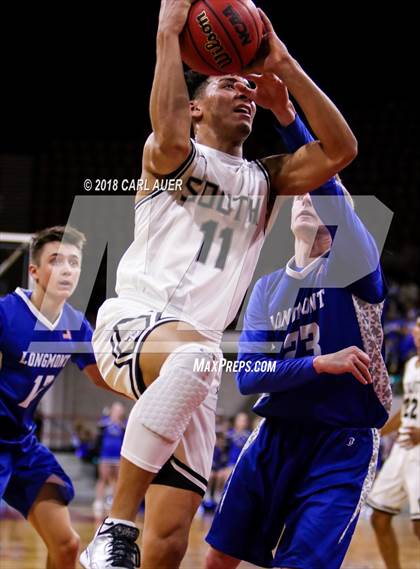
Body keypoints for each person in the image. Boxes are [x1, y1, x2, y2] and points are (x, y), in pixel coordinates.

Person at [80, 1, 358, 567]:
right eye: (228, 84)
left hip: (196, 354)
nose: (244, 93)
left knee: (172, 536)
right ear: (197, 108)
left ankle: (127, 547)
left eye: (246, 87)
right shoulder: (171, 157)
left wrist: (283, 66)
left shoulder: (266, 178)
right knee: (198, 360)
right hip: (136, 322)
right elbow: (168, 126)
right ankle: (112, 527)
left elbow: (340, 150)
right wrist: (168, 31)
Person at [205, 104, 391, 568]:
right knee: (217, 560)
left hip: (342, 440)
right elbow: (248, 376)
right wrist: (316, 364)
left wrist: (287, 117)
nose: (308, 198)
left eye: (320, 194)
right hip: (276, 435)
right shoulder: (267, 287)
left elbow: (329, 183)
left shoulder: (355, 270)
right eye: (299, 194)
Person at [0, 225, 115, 569]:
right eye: (56, 260)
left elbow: (105, 377)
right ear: (33, 271)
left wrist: (156, 387)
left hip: (21, 444)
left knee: (66, 545)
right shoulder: (6, 314)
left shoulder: (76, 325)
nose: (67, 269)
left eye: (74, 262)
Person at [367, 315, 420, 569]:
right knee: (378, 517)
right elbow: (406, 410)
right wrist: (378, 431)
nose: (417, 330)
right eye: (417, 326)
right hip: (402, 449)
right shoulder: (411, 365)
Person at [93, 402, 126, 517]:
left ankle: (112, 500)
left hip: (117, 457)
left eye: (120, 410)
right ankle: (98, 501)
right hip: (105, 456)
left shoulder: (123, 426)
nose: (118, 412)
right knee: (103, 478)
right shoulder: (104, 424)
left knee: (116, 480)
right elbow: (98, 437)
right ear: (112, 410)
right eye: (116, 410)